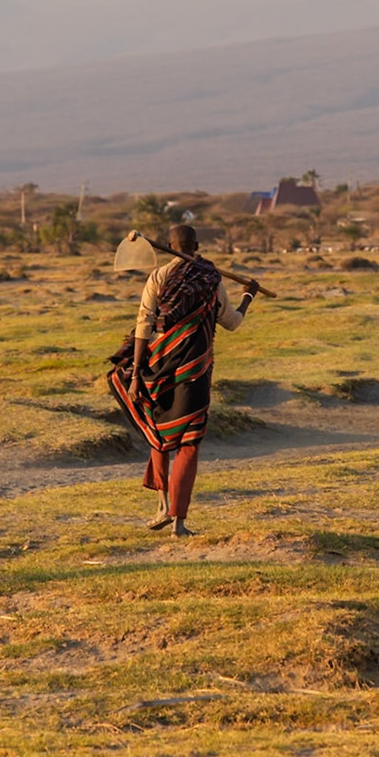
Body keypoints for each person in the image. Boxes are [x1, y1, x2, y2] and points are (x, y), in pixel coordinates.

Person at [114, 223, 256, 535]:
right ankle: (178, 521)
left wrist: (137, 374)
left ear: (169, 245)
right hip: (195, 372)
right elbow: (231, 322)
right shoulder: (211, 278)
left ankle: (162, 507)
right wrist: (249, 296)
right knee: (189, 443)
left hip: (158, 367)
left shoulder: (159, 276)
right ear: (197, 245)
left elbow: (144, 324)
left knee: (160, 434)